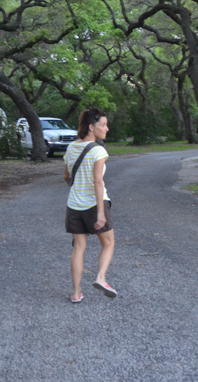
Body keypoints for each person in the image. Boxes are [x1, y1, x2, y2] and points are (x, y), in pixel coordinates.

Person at [63, 107, 117, 302]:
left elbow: (66, 176)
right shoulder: (98, 150)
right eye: (103, 125)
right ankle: (101, 278)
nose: (106, 128)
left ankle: (76, 293)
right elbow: (97, 182)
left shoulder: (71, 148)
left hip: (74, 206)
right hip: (94, 205)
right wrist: (101, 213)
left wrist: (78, 189)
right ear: (91, 127)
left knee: (78, 248)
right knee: (108, 243)